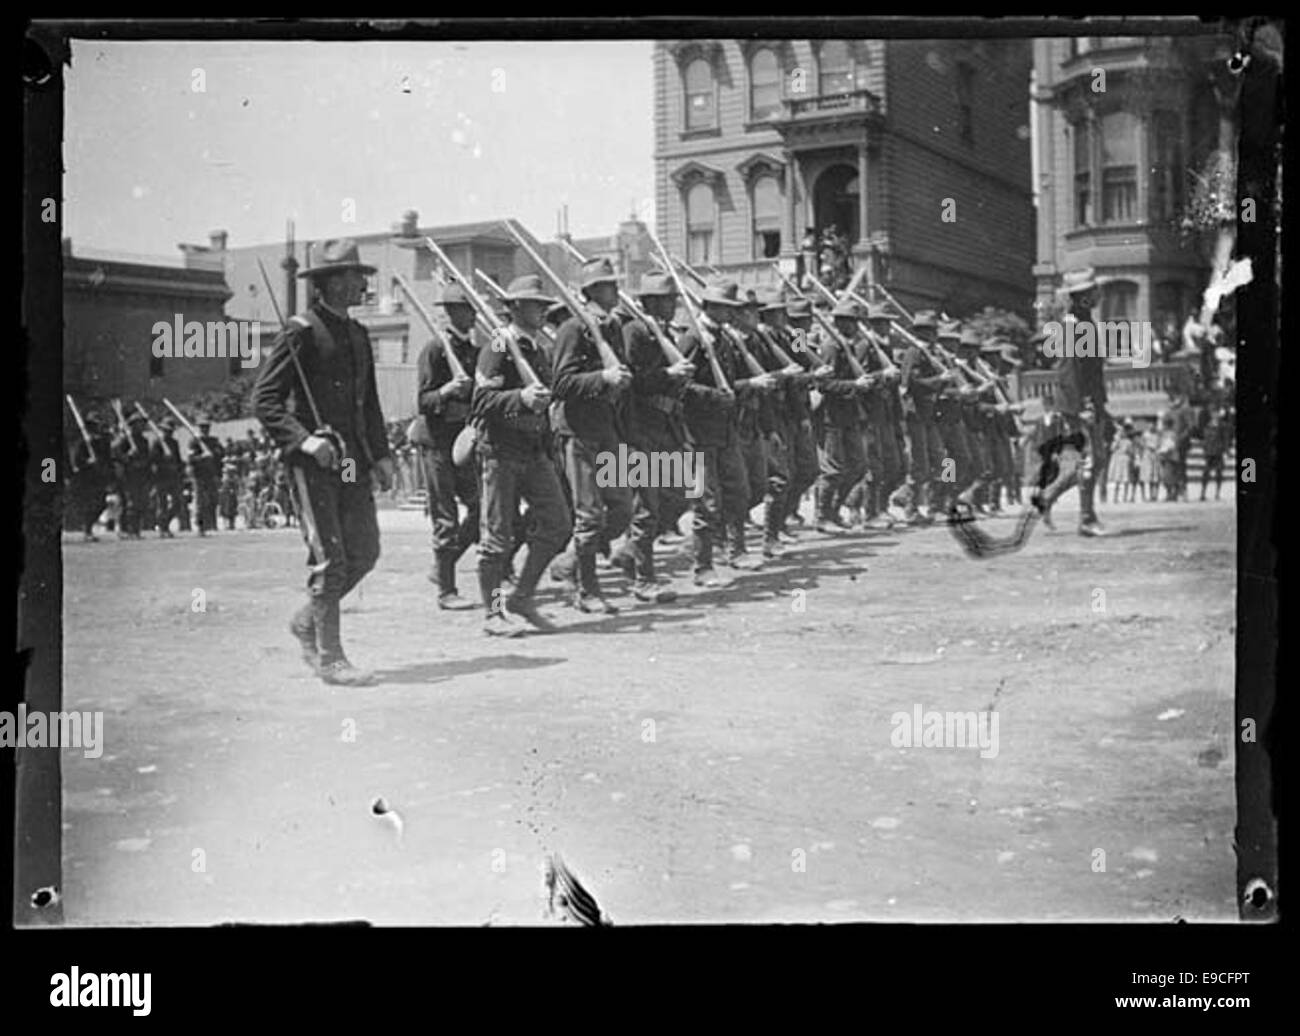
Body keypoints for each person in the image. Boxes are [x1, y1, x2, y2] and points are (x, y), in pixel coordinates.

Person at [252, 238, 395, 686]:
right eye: (355, 278)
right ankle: (330, 657)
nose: (362, 285)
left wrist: (382, 454)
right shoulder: (300, 331)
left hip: (351, 461)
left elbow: (367, 404)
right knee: (330, 557)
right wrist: (304, 441)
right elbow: (266, 399)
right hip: (313, 462)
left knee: (365, 551)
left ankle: (305, 621)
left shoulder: (357, 333)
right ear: (331, 283)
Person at [470, 273, 572, 636]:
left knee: (559, 524)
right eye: (534, 305)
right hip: (500, 452)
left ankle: (523, 595)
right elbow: (480, 401)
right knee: (497, 540)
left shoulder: (538, 349)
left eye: (544, 305)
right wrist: (520, 399)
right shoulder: (498, 346)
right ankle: (493, 613)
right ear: (514, 308)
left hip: (534, 451)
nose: (542, 311)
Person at [549, 258, 635, 613]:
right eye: (608, 286)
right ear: (592, 291)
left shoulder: (612, 328)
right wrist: (603, 379)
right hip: (578, 430)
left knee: (621, 508)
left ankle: (569, 562)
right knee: (589, 515)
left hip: (606, 428)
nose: (615, 291)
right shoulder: (573, 329)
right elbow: (561, 382)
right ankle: (587, 590)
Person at [616, 271, 693, 600]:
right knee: (645, 506)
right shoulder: (633, 331)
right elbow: (631, 379)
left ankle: (628, 551)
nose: (674, 305)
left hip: (666, 427)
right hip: (639, 428)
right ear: (650, 302)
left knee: (680, 494)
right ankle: (643, 578)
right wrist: (667, 374)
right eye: (667, 300)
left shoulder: (665, 333)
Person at [415, 282, 482, 609]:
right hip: (438, 442)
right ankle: (446, 591)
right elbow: (424, 400)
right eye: (469, 310)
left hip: (464, 441)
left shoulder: (474, 350)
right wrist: (448, 390)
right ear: (455, 312)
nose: (474, 316)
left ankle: (444, 566)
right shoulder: (435, 349)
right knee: (446, 517)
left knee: (480, 507)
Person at [1032, 268, 1112, 536]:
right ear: (1083, 296)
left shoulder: (1083, 321)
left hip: (1088, 401)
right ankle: (1087, 520)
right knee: (1092, 458)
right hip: (1079, 403)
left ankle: (1047, 497)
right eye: (1094, 291)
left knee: (1092, 459)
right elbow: (1069, 372)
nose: (1098, 294)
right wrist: (1084, 407)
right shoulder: (1073, 325)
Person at [112, 411, 152, 539]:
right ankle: (127, 530)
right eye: (139, 423)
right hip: (128, 476)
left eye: (142, 423)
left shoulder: (143, 441)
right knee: (130, 503)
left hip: (141, 475)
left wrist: (144, 465)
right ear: (133, 425)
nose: (141, 426)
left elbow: (147, 457)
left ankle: (136, 530)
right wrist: (128, 455)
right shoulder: (124, 439)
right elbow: (115, 453)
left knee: (141, 502)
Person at [149, 416, 185, 538]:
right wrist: (164, 461)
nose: (169, 433)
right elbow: (153, 459)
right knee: (162, 503)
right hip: (161, 477)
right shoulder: (157, 442)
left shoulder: (174, 443)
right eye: (166, 430)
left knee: (177, 503)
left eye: (170, 431)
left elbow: (178, 460)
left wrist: (180, 469)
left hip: (173, 477)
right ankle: (162, 528)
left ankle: (166, 523)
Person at [188, 416, 225, 536]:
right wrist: (202, 457)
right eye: (202, 427)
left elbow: (221, 455)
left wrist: (216, 454)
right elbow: (191, 459)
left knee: (213, 500)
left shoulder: (213, 441)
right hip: (199, 475)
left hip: (211, 474)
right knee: (200, 502)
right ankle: (201, 527)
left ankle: (212, 524)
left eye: (207, 427)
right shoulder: (194, 442)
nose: (205, 429)